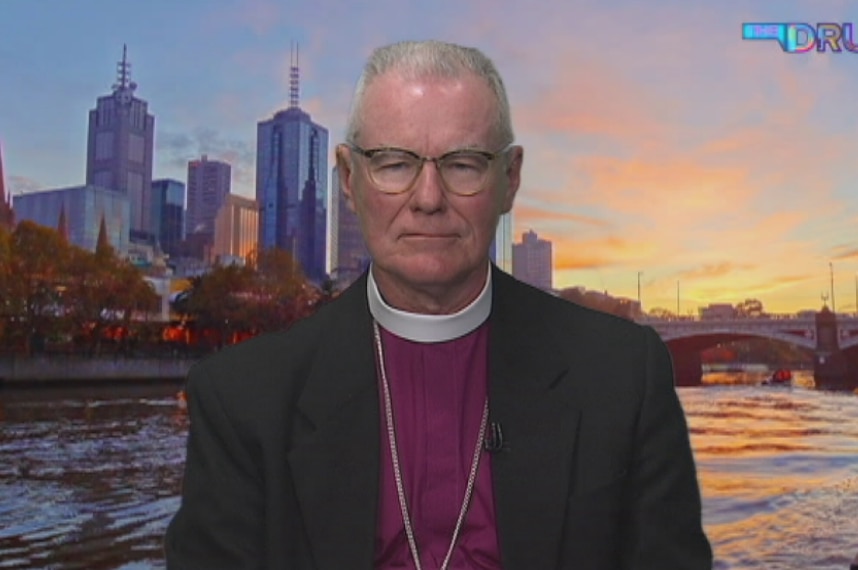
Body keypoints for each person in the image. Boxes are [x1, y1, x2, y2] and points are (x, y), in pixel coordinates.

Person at [164, 40, 712, 569]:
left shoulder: (623, 376)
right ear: (350, 180)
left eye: (464, 164)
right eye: (395, 164)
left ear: (510, 180)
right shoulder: (241, 401)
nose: (428, 199)